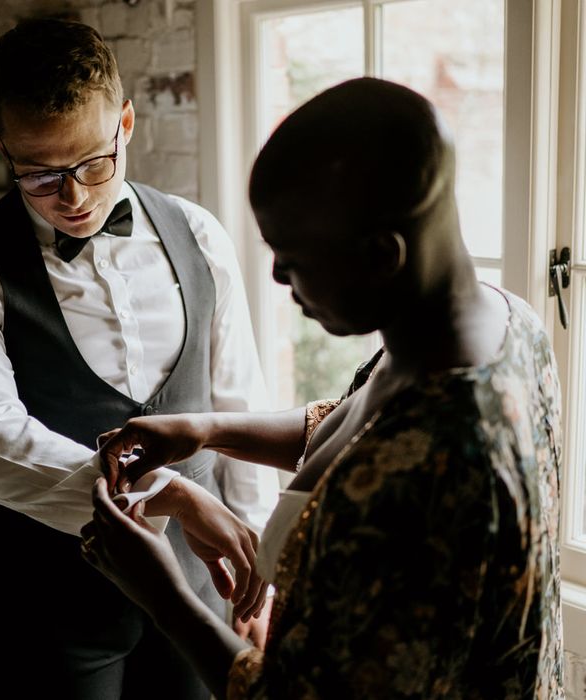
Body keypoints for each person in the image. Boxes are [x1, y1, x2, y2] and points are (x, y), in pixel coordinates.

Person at [84, 77, 564, 699]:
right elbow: (363, 427)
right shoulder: (500, 322)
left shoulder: (437, 469)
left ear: (382, 256)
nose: (279, 274)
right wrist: (208, 429)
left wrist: (166, 595)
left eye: (294, 257)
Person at [0, 17, 279, 699]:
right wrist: (160, 491)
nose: (75, 197)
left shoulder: (199, 234)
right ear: (3, 148)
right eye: (41, 174)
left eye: (93, 163)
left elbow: (240, 405)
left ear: (128, 124)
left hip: (201, 591)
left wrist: (256, 557)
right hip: (51, 599)